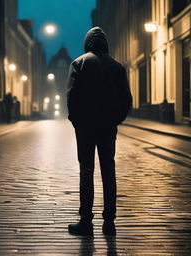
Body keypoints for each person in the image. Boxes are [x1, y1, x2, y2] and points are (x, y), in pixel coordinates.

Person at [67, 27, 132, 236]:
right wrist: (115, 120)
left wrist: (77, 121)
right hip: (107, 126)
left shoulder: (79, 63)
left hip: (85, 127)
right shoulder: (117, 67)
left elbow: (71, 96)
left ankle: (86, 221)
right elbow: (126, 99)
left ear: (87, 43)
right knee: (108, 171)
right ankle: (109, 222)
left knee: (86, 171)